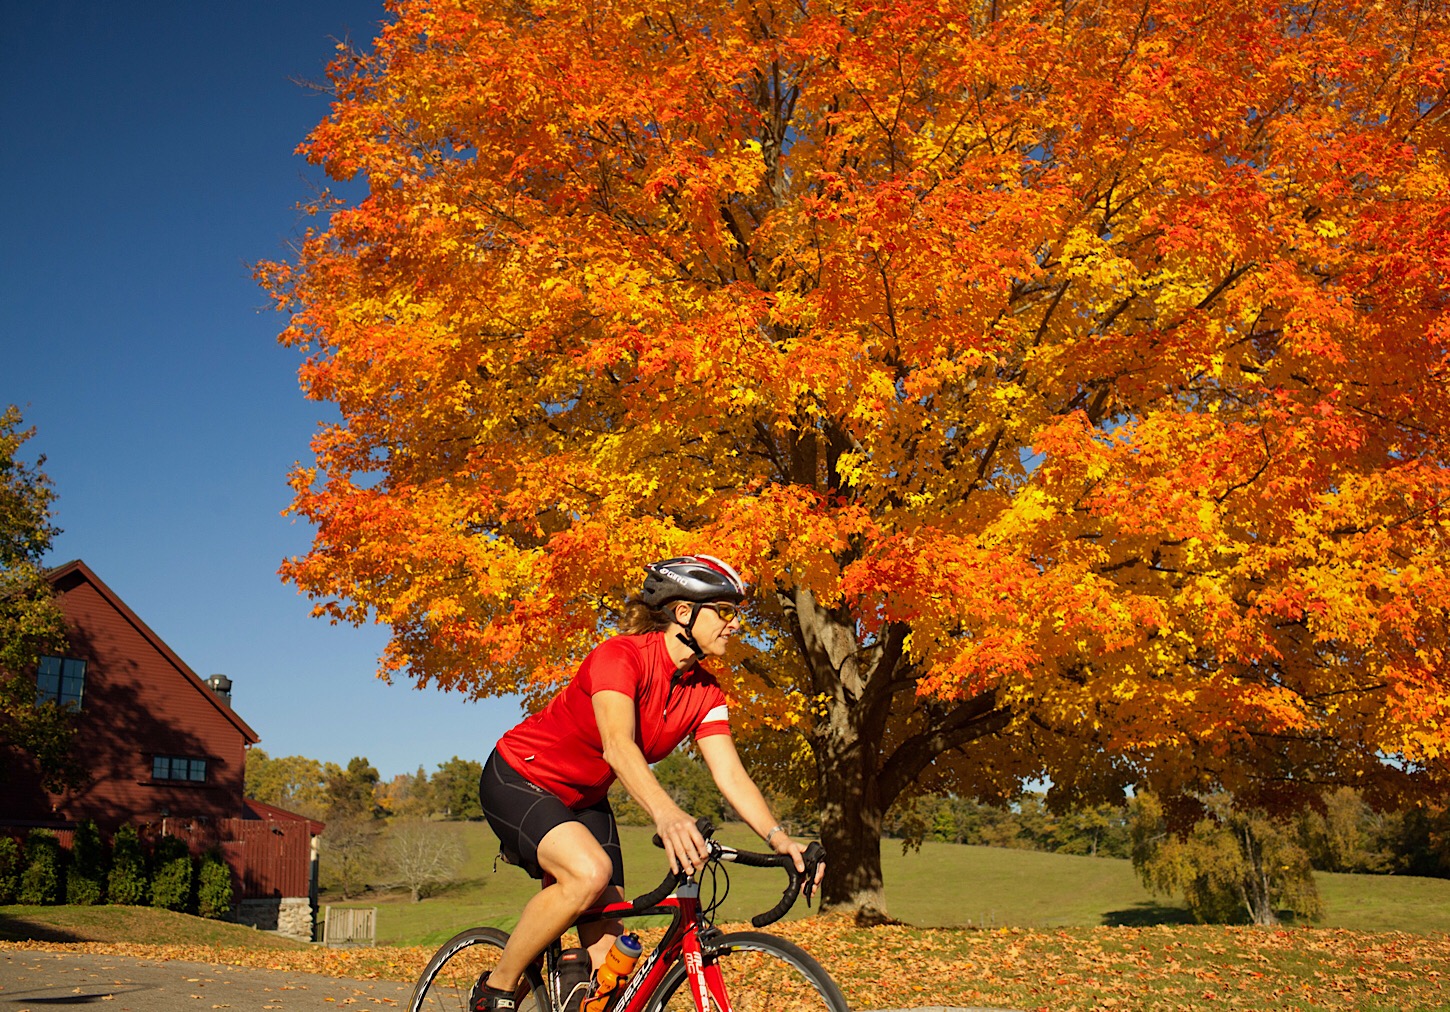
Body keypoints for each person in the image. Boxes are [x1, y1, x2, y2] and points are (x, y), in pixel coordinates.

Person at [471, 555, 825, 1012]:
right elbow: (617, 746)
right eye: (725, 611)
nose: (734, 625)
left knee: (609, 976)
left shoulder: (705, 692)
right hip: (521, 776)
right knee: (589, 873)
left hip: (586, 799)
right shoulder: (620, 657)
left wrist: (779, 839)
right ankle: (496, 989)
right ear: (684, 613)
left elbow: (730, 773)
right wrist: (667, 813)